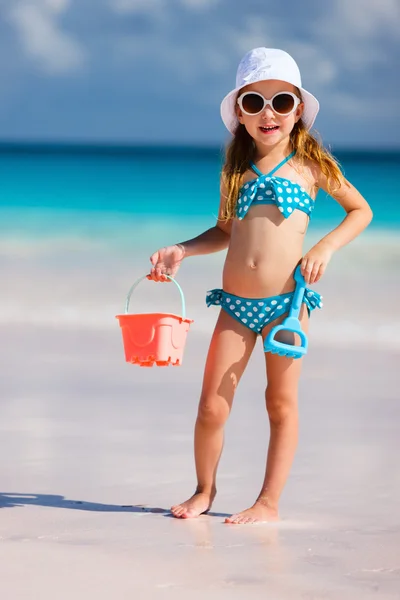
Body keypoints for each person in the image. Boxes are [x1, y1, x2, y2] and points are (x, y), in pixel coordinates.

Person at [147, 48, 373, 524]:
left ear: (297, 111)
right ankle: (204, 490)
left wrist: (324, 249)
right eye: (255, 103)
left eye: (280, 102)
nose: (268, 113)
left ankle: (268, 503)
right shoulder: (236, 171)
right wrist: (181, 250)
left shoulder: (313, 165)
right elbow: (225, 232)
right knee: (211, 405)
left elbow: (361, 211)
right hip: (235, 305)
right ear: (240, 115)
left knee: (279, 403)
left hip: (287, 306)